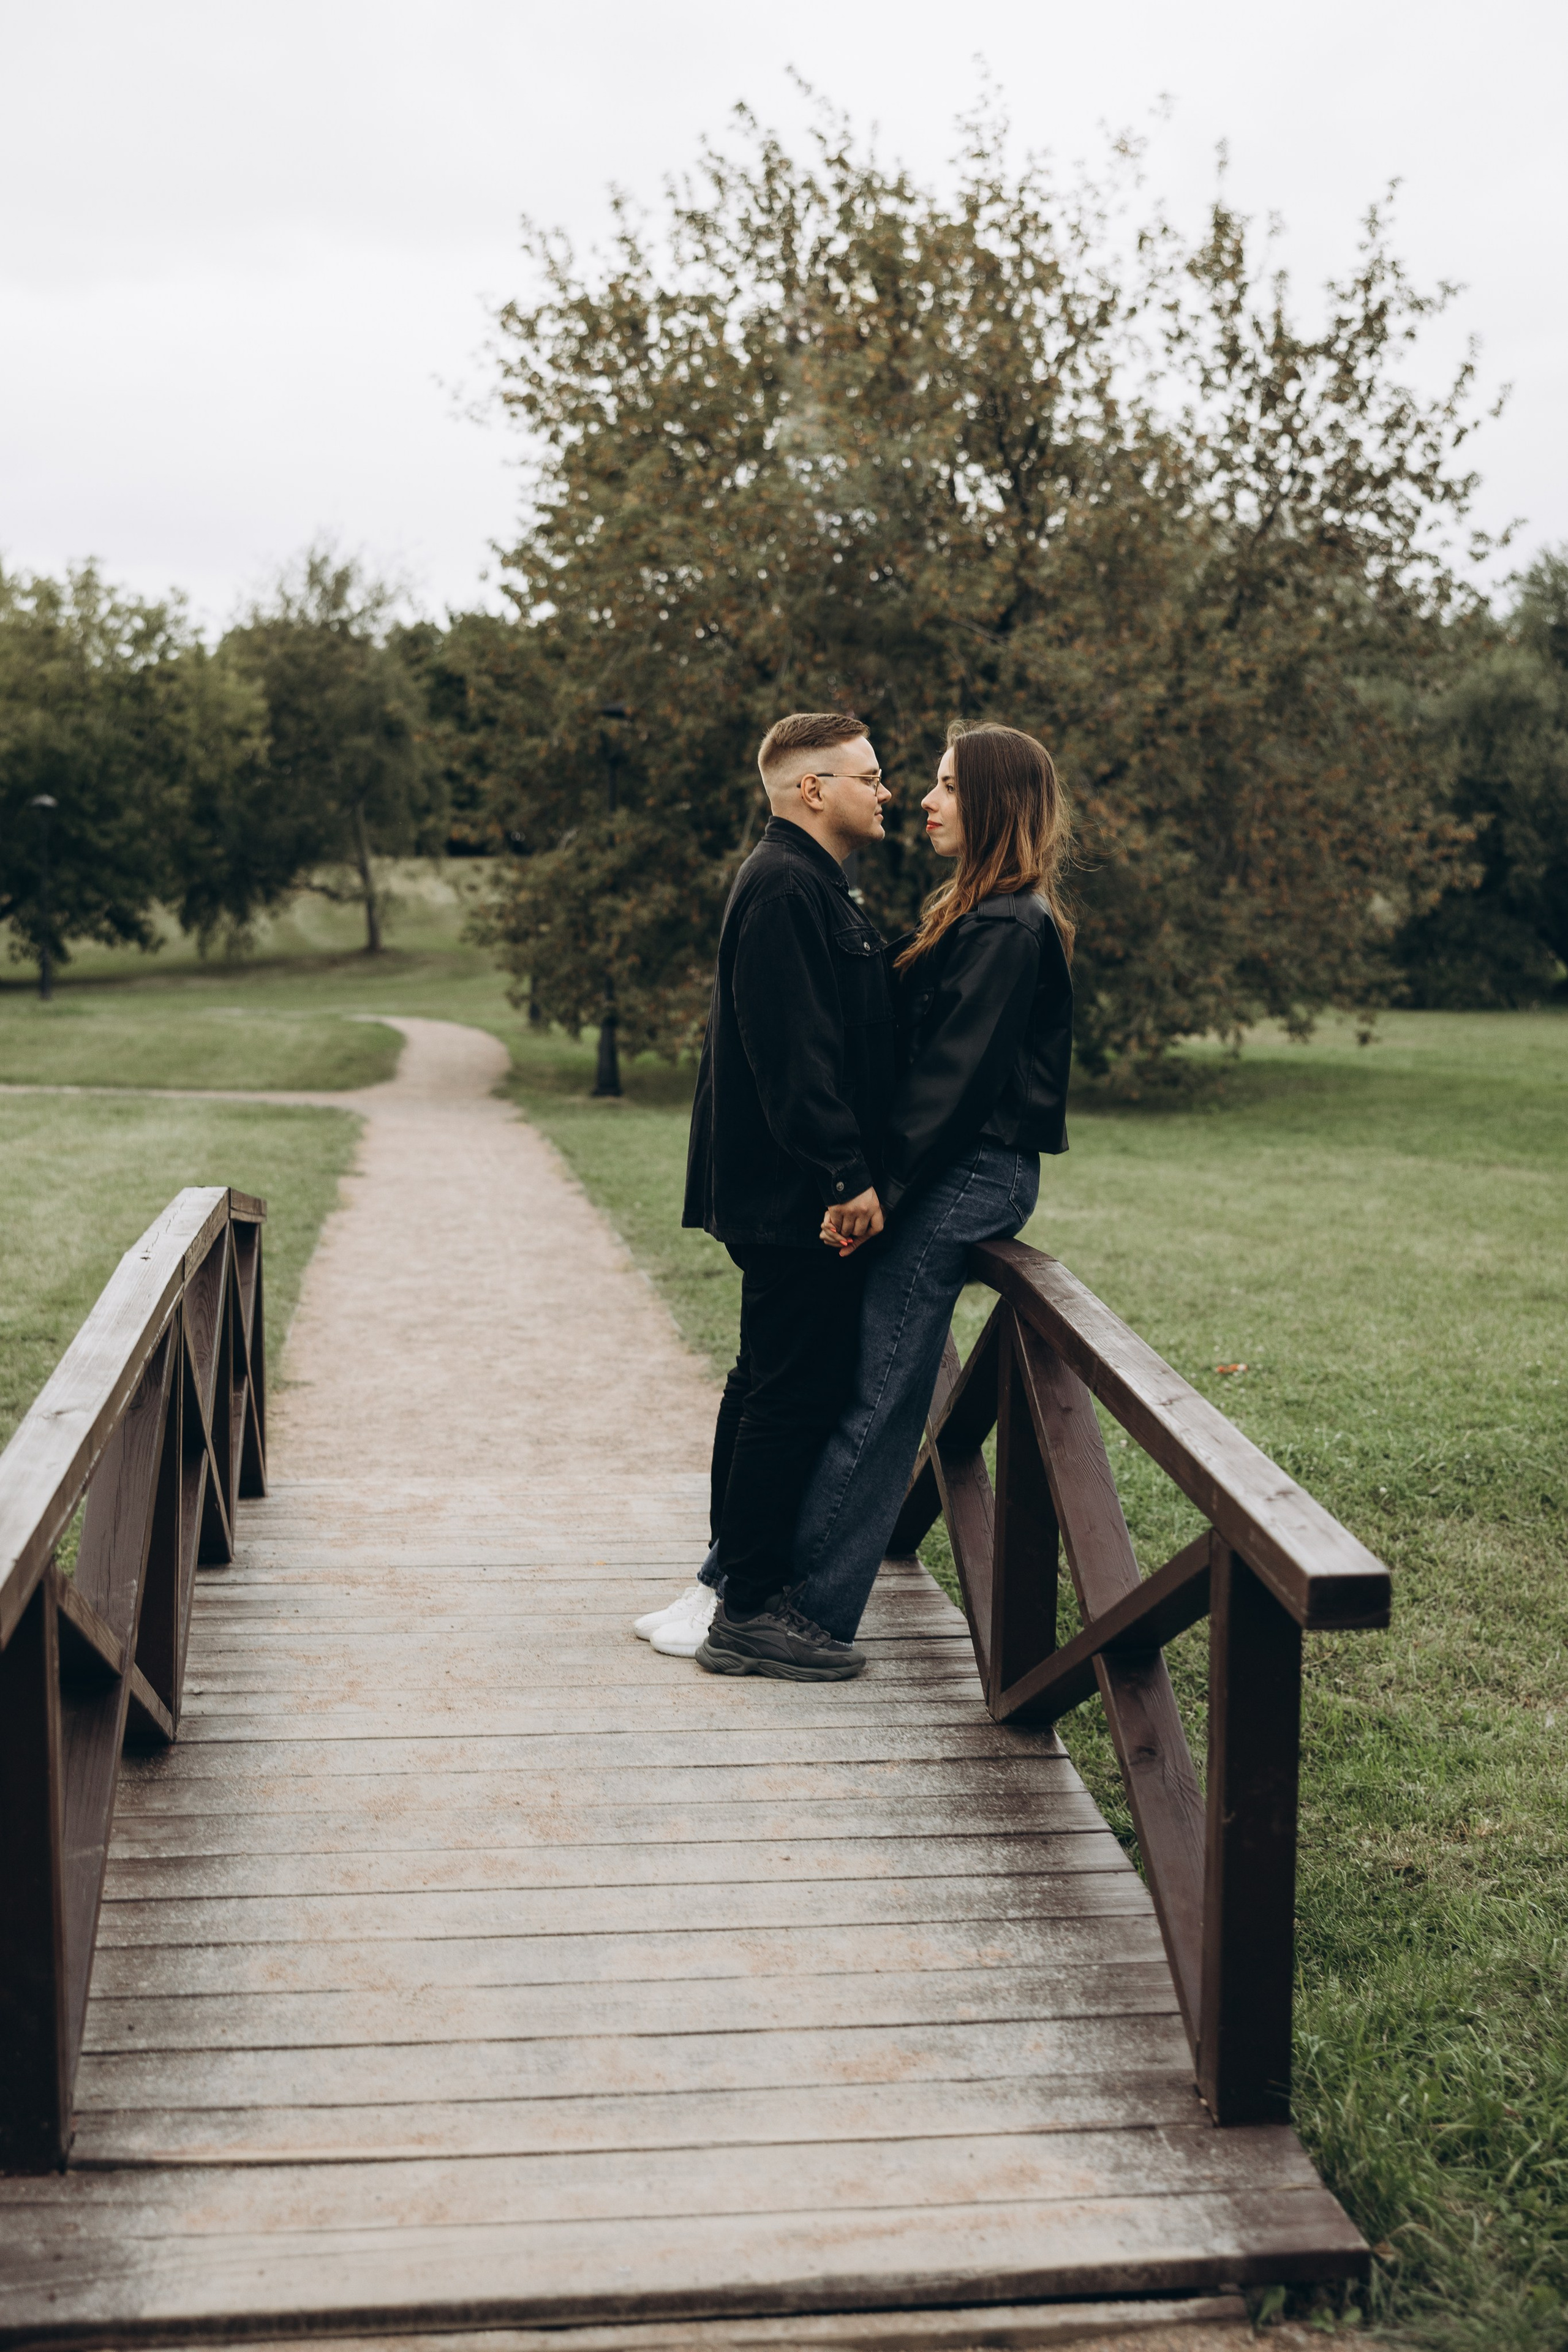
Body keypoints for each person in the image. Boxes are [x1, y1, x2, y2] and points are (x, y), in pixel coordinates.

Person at [744, 720, 1073, 1651]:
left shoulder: (1011, 925)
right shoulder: (971, 912)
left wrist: (873, 1187)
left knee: (882, 1392)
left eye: (948, 787)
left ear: (998, 803)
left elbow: (951, 1086)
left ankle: (811, 1614)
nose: (925, 801)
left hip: (968, 1174)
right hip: (942, 1169)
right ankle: (785, 1587)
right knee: (869, 1378)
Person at [641, 710, 895, 1680]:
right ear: (811, 790)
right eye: (867, 776)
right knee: (795, 1392)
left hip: (784, 1190)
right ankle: (748, 1611)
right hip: (799, 1196)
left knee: (766, 1384)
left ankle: (728, 1585)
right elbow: (794, 1053)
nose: (885, 790)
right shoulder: (790, 885)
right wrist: (846, 1176)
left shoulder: (810, 884)